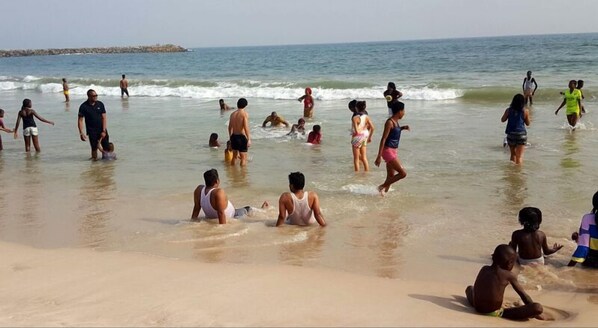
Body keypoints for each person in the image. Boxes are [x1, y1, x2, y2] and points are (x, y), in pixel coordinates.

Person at [465, 244, 544, 320]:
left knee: (470, 288)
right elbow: (524, 295)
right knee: (537, 308)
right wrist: (534, 312)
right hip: (495, 313)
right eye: (513, 262)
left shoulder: (484, 268)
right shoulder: (508, 275)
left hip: (477, 308)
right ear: (509, 263)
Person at [374, 101, 409, 195]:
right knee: (403, 174)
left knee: (390, 175)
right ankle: (381, 187)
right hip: (387, 151)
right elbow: (383, 138)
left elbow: (394, 132)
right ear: (399, 111)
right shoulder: (389, 122)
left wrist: (402, 128)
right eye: (403, 110)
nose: (404, 113)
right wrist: (379, 156)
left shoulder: (396, 122)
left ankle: (383, 194)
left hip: (393, 150)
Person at [78, 89, 110, 160]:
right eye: (94, 96)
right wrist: (81, 133)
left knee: (106, 147)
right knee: (94, 148)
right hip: (92, 131)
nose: (96, 97)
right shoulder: (83, 106)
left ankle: (106, 165)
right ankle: (94, 166)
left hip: (102, 129)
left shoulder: (100, 104)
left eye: (96, 95)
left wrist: (104, 130)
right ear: (89, 96)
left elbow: (104, 118)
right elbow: (80, 120)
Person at [569, 191, 598, 268]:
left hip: (590, 262)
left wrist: (568, 267)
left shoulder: (587, 218)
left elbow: (583, 247)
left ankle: (578, 238)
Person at [501, 94, 530, 165]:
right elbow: (528, 123)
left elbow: (502, 120)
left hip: (511, 134)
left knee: (513, 154)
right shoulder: (525, 111)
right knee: (519, 157)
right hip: (521, 134)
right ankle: (518, 173)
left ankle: (513, 173)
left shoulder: (508, 110)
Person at [351, 101, 375, 171]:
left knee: (356, 158)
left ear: (356, 108)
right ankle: (367, 171)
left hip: (357, 137)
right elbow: (373, 128)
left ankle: (357, 174)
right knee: (364, 157)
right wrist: (370, 137)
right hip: (365, 136)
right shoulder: (367, 117)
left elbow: (356, 130)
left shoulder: (355, 118)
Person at [228, 98, 251, 166]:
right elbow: (245, 127)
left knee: (234, 157)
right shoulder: (244, 114)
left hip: (234, 136)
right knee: (243, 158)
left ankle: (232, 171)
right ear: (245, 105)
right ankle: (242, 175)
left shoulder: (232, 114)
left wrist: (230, 137)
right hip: (241, 137)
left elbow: (229, 127)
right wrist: (249, 139)